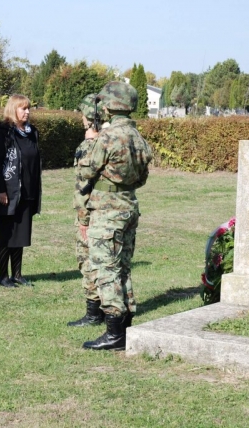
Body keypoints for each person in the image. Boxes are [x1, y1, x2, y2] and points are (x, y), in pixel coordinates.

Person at [78, 81, 153, 351]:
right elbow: (142, 177)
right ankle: (126, 323)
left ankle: (114, 333)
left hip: (108, 209)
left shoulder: (107, 138)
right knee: (122, 267)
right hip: (129, 204)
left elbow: (87, 171)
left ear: (109, 106)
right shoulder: (138, 138)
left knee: (105, 269)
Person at [0, 95, 42, 288]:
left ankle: (17, 274)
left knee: (20, 234)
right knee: (6, 234)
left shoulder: (31, 132)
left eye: (28, 108)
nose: (27, 112)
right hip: (9, 192)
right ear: (13, 110)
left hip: (27, 191)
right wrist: (1, 190)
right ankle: (3, 275)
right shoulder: (2, 134)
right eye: (23, 109)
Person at [68, 93, 108, 327]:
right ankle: (108, 307)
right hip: (109, 210)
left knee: (87, 259)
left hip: (92, 213)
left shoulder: (88, 146)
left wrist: (83, 219)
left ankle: (94, 313)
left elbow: (83, 186)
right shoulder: (111, 142)